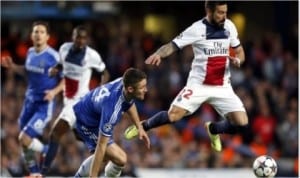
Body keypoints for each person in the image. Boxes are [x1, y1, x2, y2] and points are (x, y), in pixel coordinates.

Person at [124, 0, 248, 152]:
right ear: (209, 12)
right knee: (173, 116)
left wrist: (238, 60)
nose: (224, 16)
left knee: (241, 122)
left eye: (225, 12)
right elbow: (172, 45)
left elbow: (240, 51)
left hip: (222, 86)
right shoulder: (197, 29)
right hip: (198, 85)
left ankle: (214, 129)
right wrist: (158, 54)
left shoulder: (229, 26)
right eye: (220, 13)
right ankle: (144, 125)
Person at [41, 25, 110, 174]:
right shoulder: (64, 48)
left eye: (83, 38)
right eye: (78, 37)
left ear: (87, 39)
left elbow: (105, 72)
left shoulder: (92, 55)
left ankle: (41, 173)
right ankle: (107, 156)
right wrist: (55, 69)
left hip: (79, 102)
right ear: (73, 37)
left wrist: (101, 89)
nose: (80, 40)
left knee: (55, 133)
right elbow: (61, 64)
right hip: (67, 100)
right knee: (81, 137)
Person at [1, 21, 64, 177]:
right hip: (29, 102)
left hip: (44, 105)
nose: (38, 34)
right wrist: (13, 66)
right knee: (23, 140)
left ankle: (47, 151)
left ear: (48, 37)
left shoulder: (53, 57)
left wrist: (54, 92)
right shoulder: (29, 52)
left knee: (25, 137)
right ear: (31, 35)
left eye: (42, 32)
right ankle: (34, 173)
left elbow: (65, 80)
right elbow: (28, 70)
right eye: (35, 31)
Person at [72, 68, 150, 177]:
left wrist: (139, 127)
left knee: (109, 156)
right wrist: (93, 176)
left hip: (88, 110)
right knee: (120, 158)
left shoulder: (124, 84)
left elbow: (129, 103)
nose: (146, 90)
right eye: (142, 87)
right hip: (84, 121)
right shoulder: (112, 109)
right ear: (130, 89)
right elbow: (101, 144)